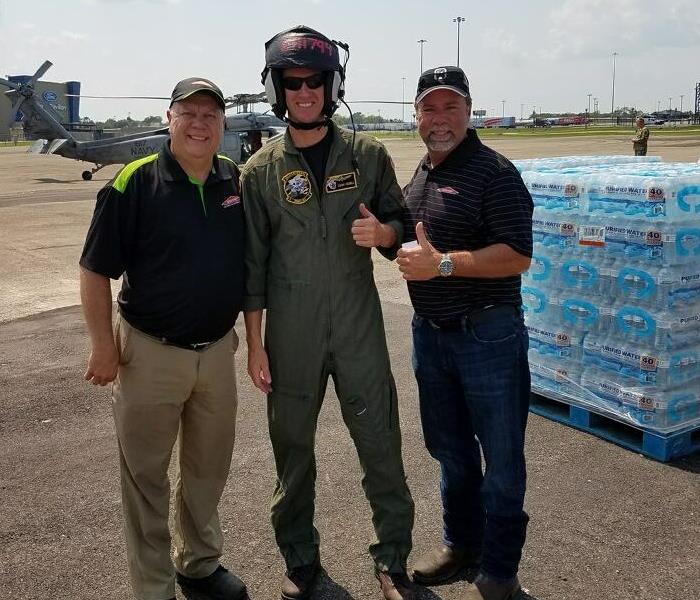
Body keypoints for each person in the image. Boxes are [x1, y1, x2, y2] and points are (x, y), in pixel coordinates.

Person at [241, 25, 415, 600]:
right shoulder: (260, 170)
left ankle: (392, 560)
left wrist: (384, 230)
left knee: (381, 445)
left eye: (315, 81)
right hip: (290, 333)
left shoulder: (368, 155)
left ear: (331, 84)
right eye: (293, 83)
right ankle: (301, 563)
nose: (304, 92)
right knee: (292, 451)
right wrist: (257, 343)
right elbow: (253, 267)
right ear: (278, 90)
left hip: (358, 325)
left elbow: (402, 229)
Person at [79, 77, 247, 600]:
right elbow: (94, 270)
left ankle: (197, 562)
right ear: (169, 118)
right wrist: (104, 346)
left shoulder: (234, 180)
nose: (200, 124)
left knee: (208, 469)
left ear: (221, 124)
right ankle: (153, 587)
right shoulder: (134, 181)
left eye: (210, 116)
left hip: (217, 352)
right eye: (189, 113)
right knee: (145, 477)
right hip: (149, 352)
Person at [396, 66, 533, 600]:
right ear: (417, 117)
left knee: (501, 459)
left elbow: (518, 254)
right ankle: (462, 547)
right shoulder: (423, 173)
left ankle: (499, 573)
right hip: (431, 337)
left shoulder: (494, 173)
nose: (439, 119)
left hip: (487, 336)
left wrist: (445, 266)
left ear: (469, 111)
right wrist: (389, 235)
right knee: (450, 451)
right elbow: (414, 241)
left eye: (450, 107)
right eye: (429, 108)